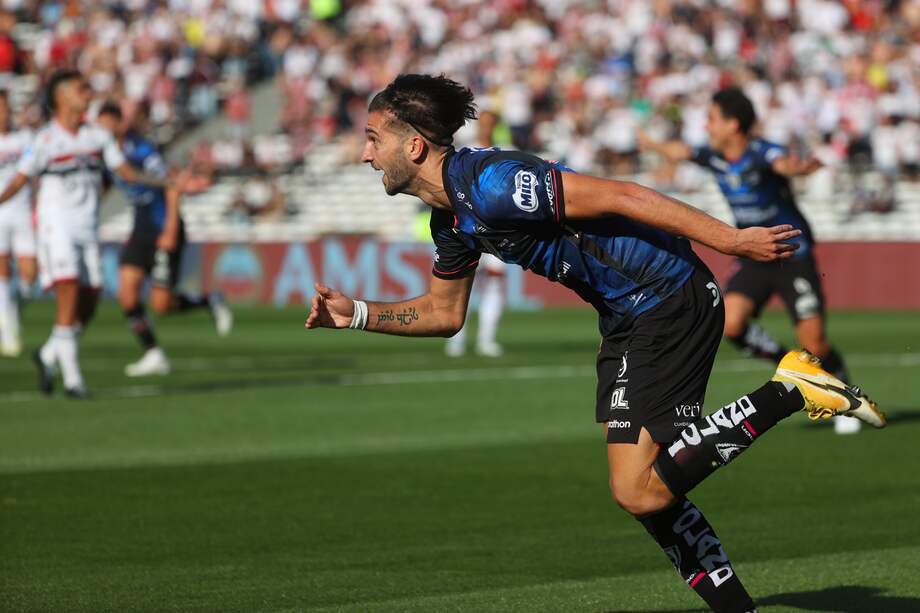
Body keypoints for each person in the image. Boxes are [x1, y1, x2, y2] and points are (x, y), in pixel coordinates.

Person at [304, 74, 886, 613]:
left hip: (668, 297)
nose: (364, 154)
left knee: (639, 490)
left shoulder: (494, 182)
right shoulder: (450, 220)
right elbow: (443, 313)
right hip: (626, 317)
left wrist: (731, 241)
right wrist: (356, 315)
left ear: (413, 146)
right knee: (646, 491)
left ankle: (789, 389)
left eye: (373, 139)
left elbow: (624, 196)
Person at [638, 87, 862, 434]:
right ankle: (790, 365)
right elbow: (678, 150)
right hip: (755, 255)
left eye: (712, 119)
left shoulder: (762, 152)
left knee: (815, 343)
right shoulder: (711, 156)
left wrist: (801, 168)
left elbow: (784, 163)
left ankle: (843, 391)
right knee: (730, 324)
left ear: (733, 125)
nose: (706, 126)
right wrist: (650, 143)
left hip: (792, 255)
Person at [0, 70, 194, 397]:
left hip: (88, 227)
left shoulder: (97, 136)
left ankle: (48, 354)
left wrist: (169, 182)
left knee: (88, 303)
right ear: (62, 97)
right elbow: (19, 180)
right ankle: (73, 381)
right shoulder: (45, 140)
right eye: (82, 89)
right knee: (68, 291)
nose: (88, 94)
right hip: (56, 225)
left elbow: (127, 173)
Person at [96, 103, 232, 377]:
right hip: (140, 226)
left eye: (107, 124)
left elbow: (171, 184)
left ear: (119, 124)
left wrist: (170, 227)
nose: (102, 130)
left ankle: (208, 300)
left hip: (163, 225)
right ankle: (153, 353)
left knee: (161, 305)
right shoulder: (105, 154)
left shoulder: (141, 150)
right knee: (127, 293)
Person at [446, 108, 505, 358]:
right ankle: (457, 338)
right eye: (484, 122)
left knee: (493, 284)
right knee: (462, 283)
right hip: (467, 227)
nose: (487, 127)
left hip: (497, 229)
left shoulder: (505, 151)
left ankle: (486, 339)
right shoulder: (466, 152)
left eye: (492, 123)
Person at [0, 90, 36, 356]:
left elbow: (35, 172)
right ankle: (8, 332)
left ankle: (10, 315)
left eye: (4, 108)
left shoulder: (25, 138)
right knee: (2, 272)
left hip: (22, 211)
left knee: (29, 276)